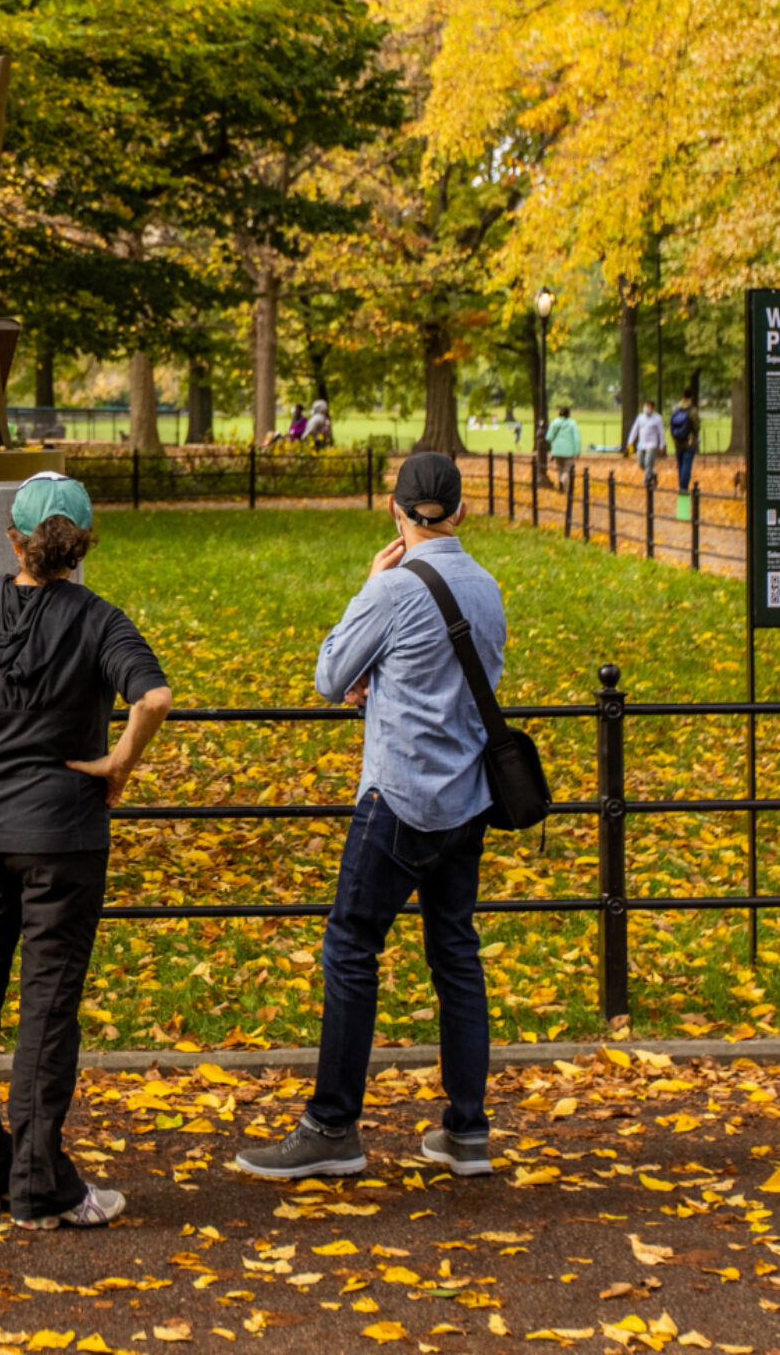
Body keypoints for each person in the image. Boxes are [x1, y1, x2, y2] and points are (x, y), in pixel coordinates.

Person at [0, 472, 171, 1229]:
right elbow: (152, 698)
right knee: (46, 1009)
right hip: (61, 838)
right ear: (82, 543)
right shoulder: (99, 621)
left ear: (12, 537)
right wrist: (118, 764)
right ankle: (37, 1189)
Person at [237, 451, 505, 1183]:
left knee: (351, 949)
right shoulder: (485, 587)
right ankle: (466, 1130)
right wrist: (380, 680)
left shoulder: (390, 590)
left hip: (398, 799)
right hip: (466, 800)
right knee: (455, 955)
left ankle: (331, 1127)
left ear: (394, 510)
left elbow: (328, 675)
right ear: (460, 511)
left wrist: (366, 590)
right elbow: (455, 679)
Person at [630, 399, 666, 489]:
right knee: (641, 463)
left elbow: (661, 432)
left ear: (652, 408)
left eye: (648, 407)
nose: (646, 409)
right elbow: (635, 429)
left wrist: (661, 444)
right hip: (642, 444)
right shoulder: (640, 417)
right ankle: (652, 474)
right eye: (645, 407)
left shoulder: (657, 418)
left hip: (652, 444)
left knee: (648, 462)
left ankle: (646, 481)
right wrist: (630, 441)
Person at [545, 404, 581, 490]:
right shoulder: (572, 423)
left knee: (560, 469)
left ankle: (562, 486)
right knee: (567, 469)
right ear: (568, 414)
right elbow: (577, 438)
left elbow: (549, 437)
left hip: (557, 450)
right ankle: (563, 481)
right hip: (569, 451)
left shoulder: (554, 422)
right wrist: (577, 451)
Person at [670, 389, 700, 492]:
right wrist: (695, 437)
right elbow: (696, 426)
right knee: (687, 464)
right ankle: (684, 487)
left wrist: (674, 437)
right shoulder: (692, 410)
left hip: (678, 441)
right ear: (692, 397)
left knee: (680, 464)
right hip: (689, 441)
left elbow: (671, 424)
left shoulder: (676, 408)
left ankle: (681, 485)